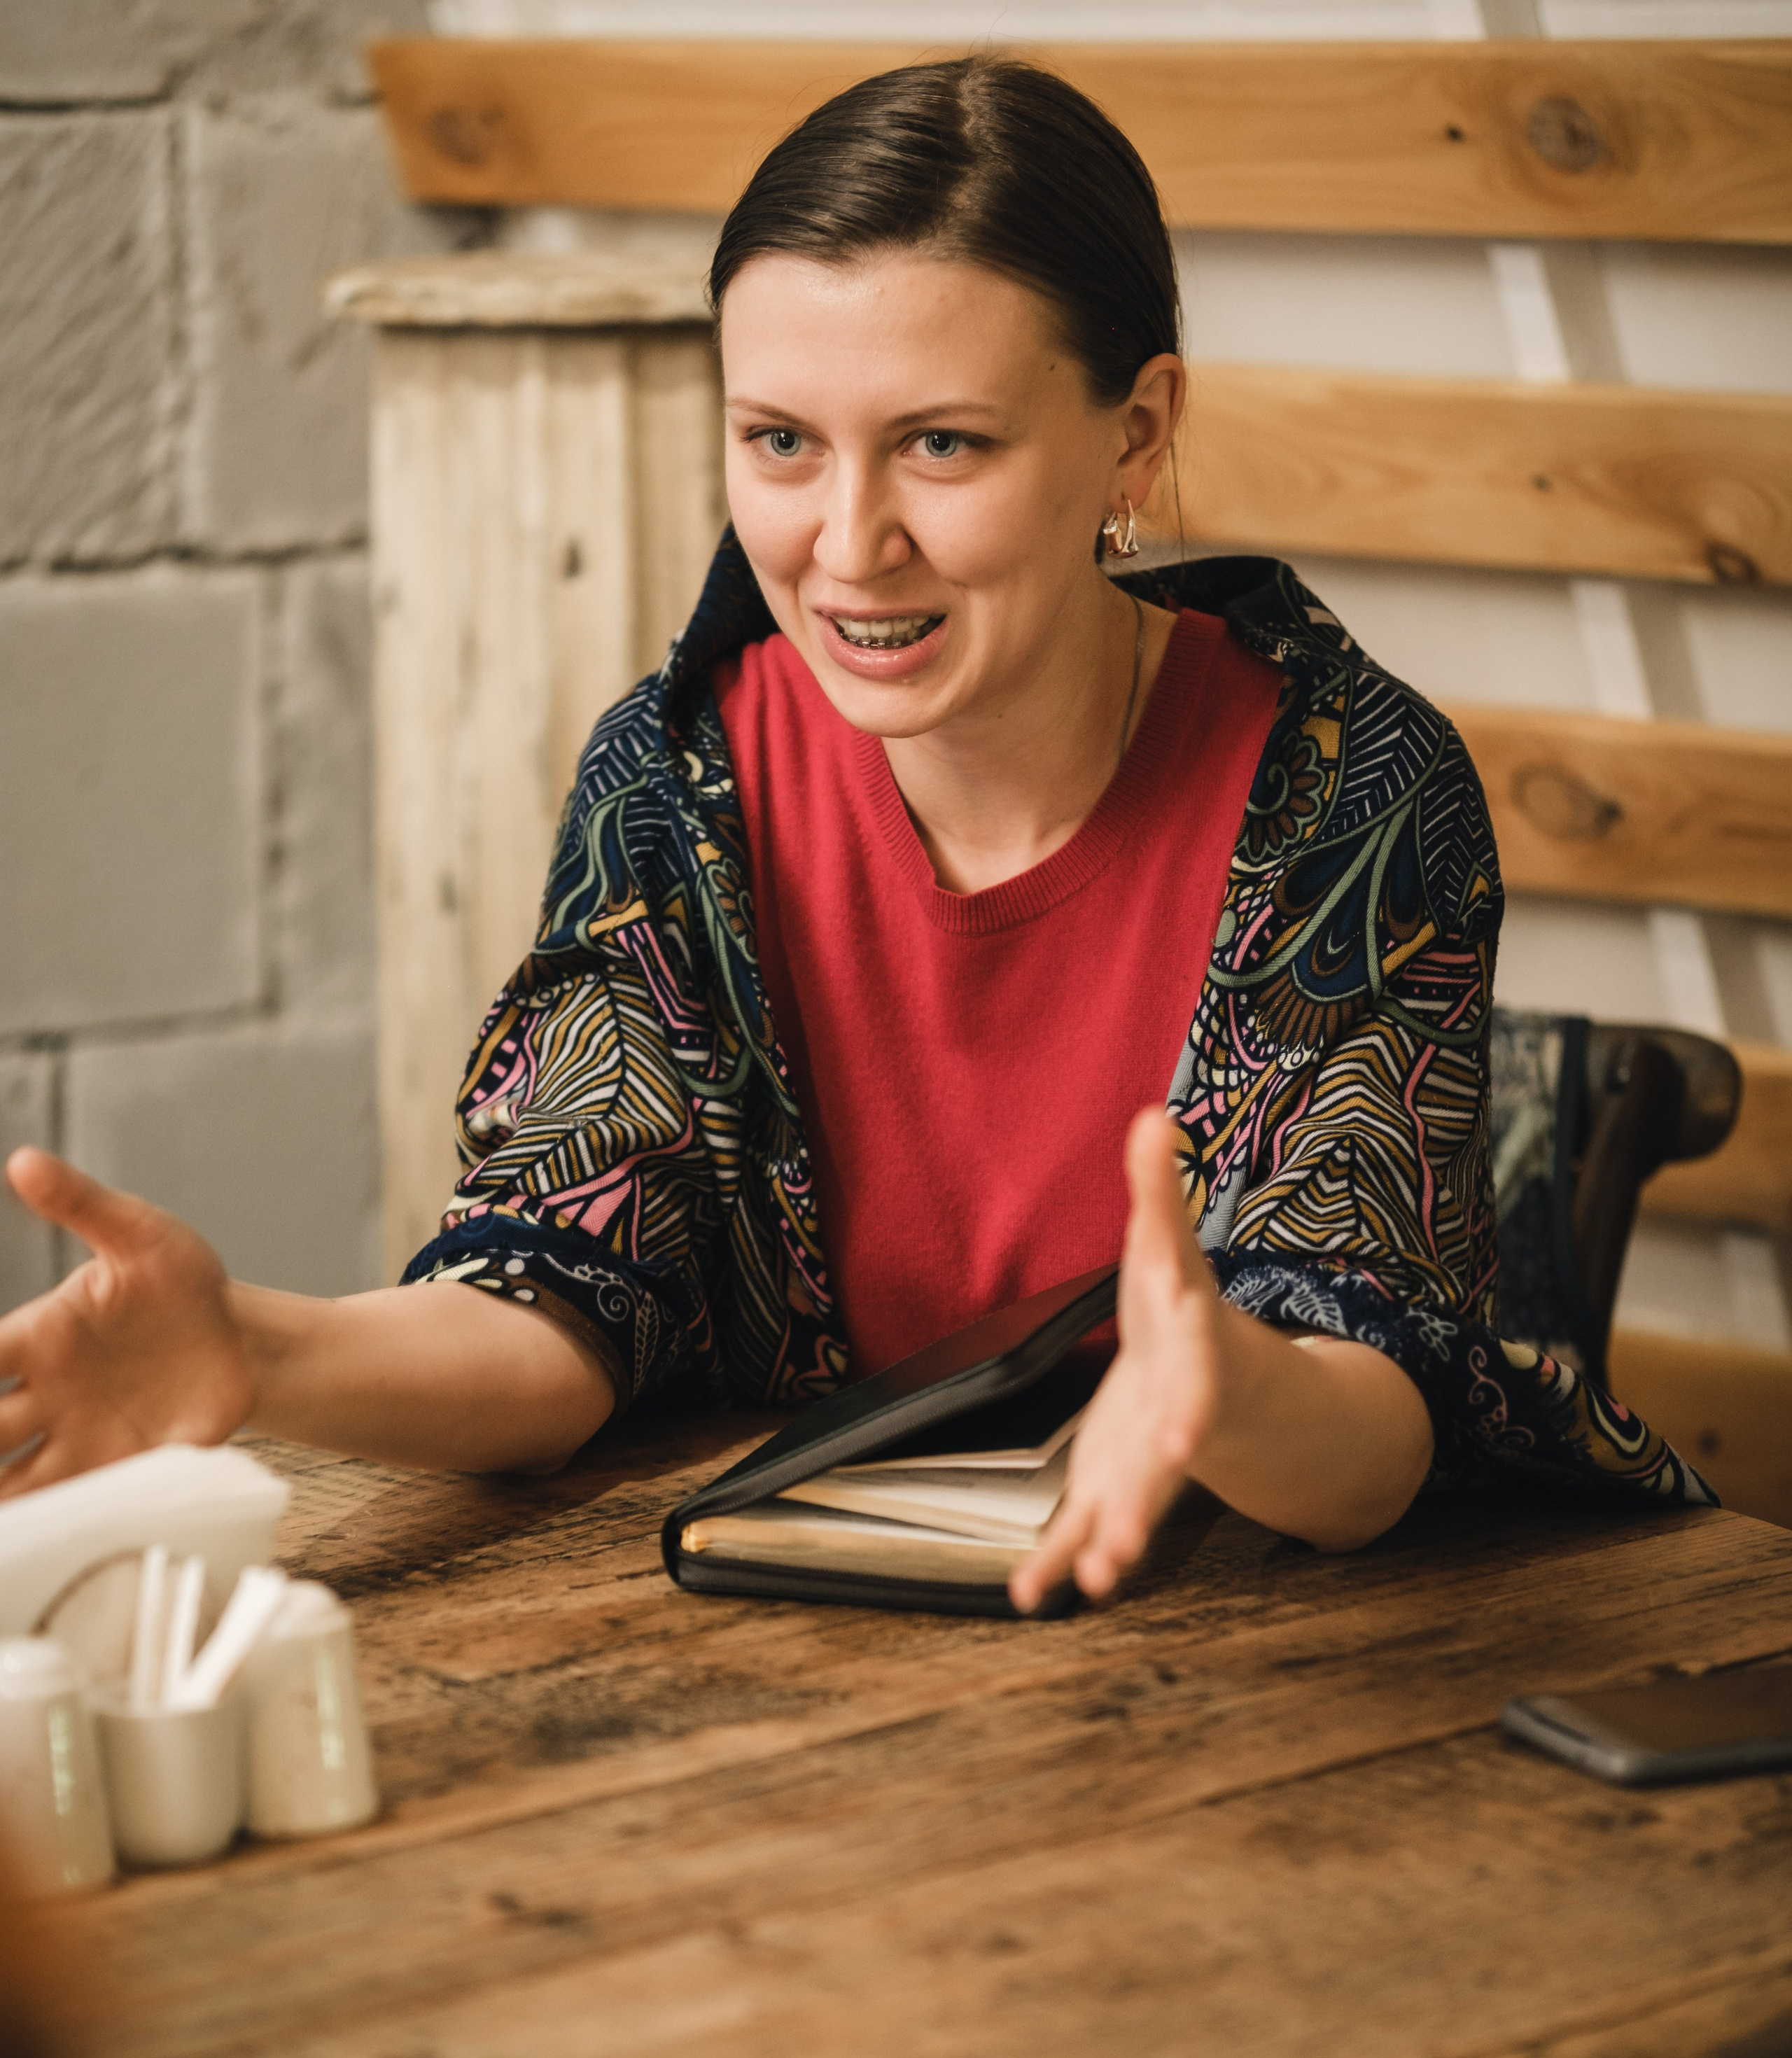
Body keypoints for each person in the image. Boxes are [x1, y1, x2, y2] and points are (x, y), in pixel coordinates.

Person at [0, 58, 1709, 1612]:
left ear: (1136, 429)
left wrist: (1228, 1384)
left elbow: (1370, 1437)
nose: (844, 543)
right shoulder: (677, 781)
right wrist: (252, 1350)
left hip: (1263, 1665)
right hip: (782, 1686)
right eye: (779, 444)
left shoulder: (1351, 785)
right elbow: (567, 1283)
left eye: (940, 444)